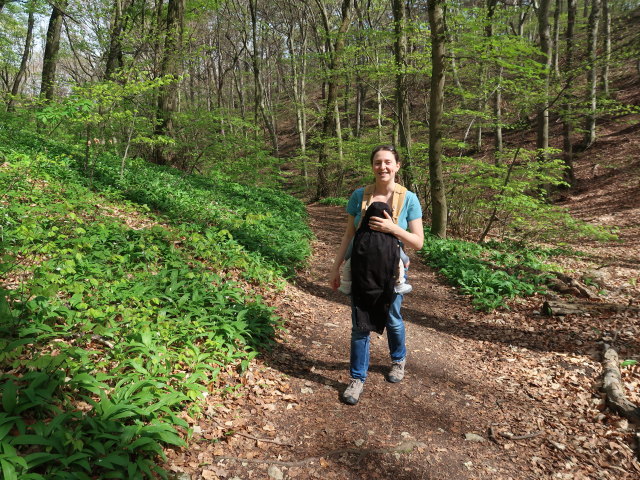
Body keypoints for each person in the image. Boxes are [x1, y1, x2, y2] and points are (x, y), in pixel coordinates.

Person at [329, 145, 424, 405]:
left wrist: (393, 228)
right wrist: (336, 266)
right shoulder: (359, 195)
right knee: (359, 324)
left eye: (388, 162)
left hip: (391, 272)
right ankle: (357, 378)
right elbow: (349, 235)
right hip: (360, 268)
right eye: (378, 162)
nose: (382, 167)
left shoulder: (409, 199)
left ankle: (398, 360)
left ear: (397, 166)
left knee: (392, 317)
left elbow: (418, 242)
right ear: (372, 166)